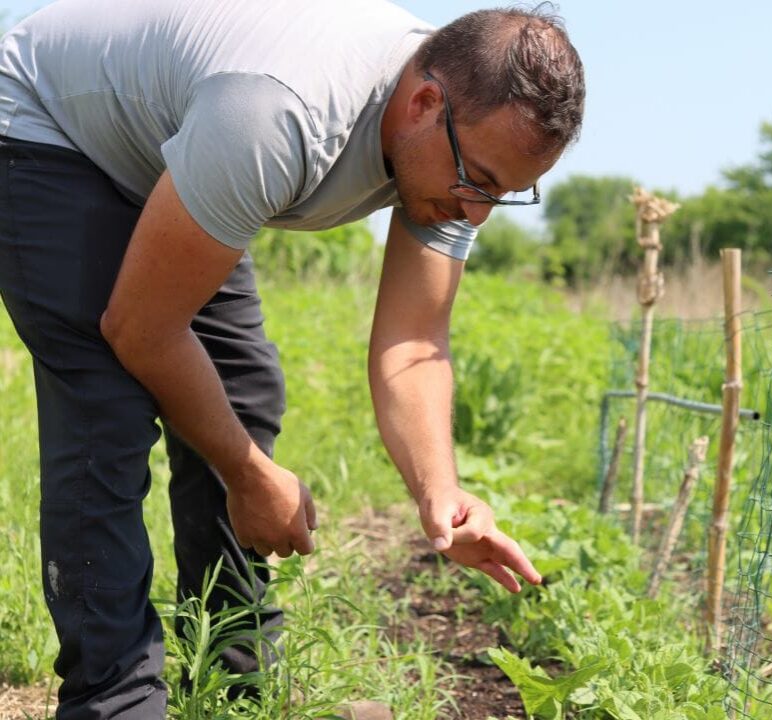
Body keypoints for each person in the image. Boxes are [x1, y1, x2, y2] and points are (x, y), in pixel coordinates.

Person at [0, 0, 585, 717]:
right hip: (50, 128)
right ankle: (115, 701)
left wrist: (439, 490)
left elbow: (414, 343)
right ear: (424, 101)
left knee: (240, 390)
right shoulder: (276, 114)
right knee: (107, 415)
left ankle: (233, 677)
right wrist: (248, 475)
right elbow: (143, 329)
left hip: (177, 154)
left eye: (506, 194)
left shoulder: (450, 151)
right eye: (479, 182)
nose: (477, 214)